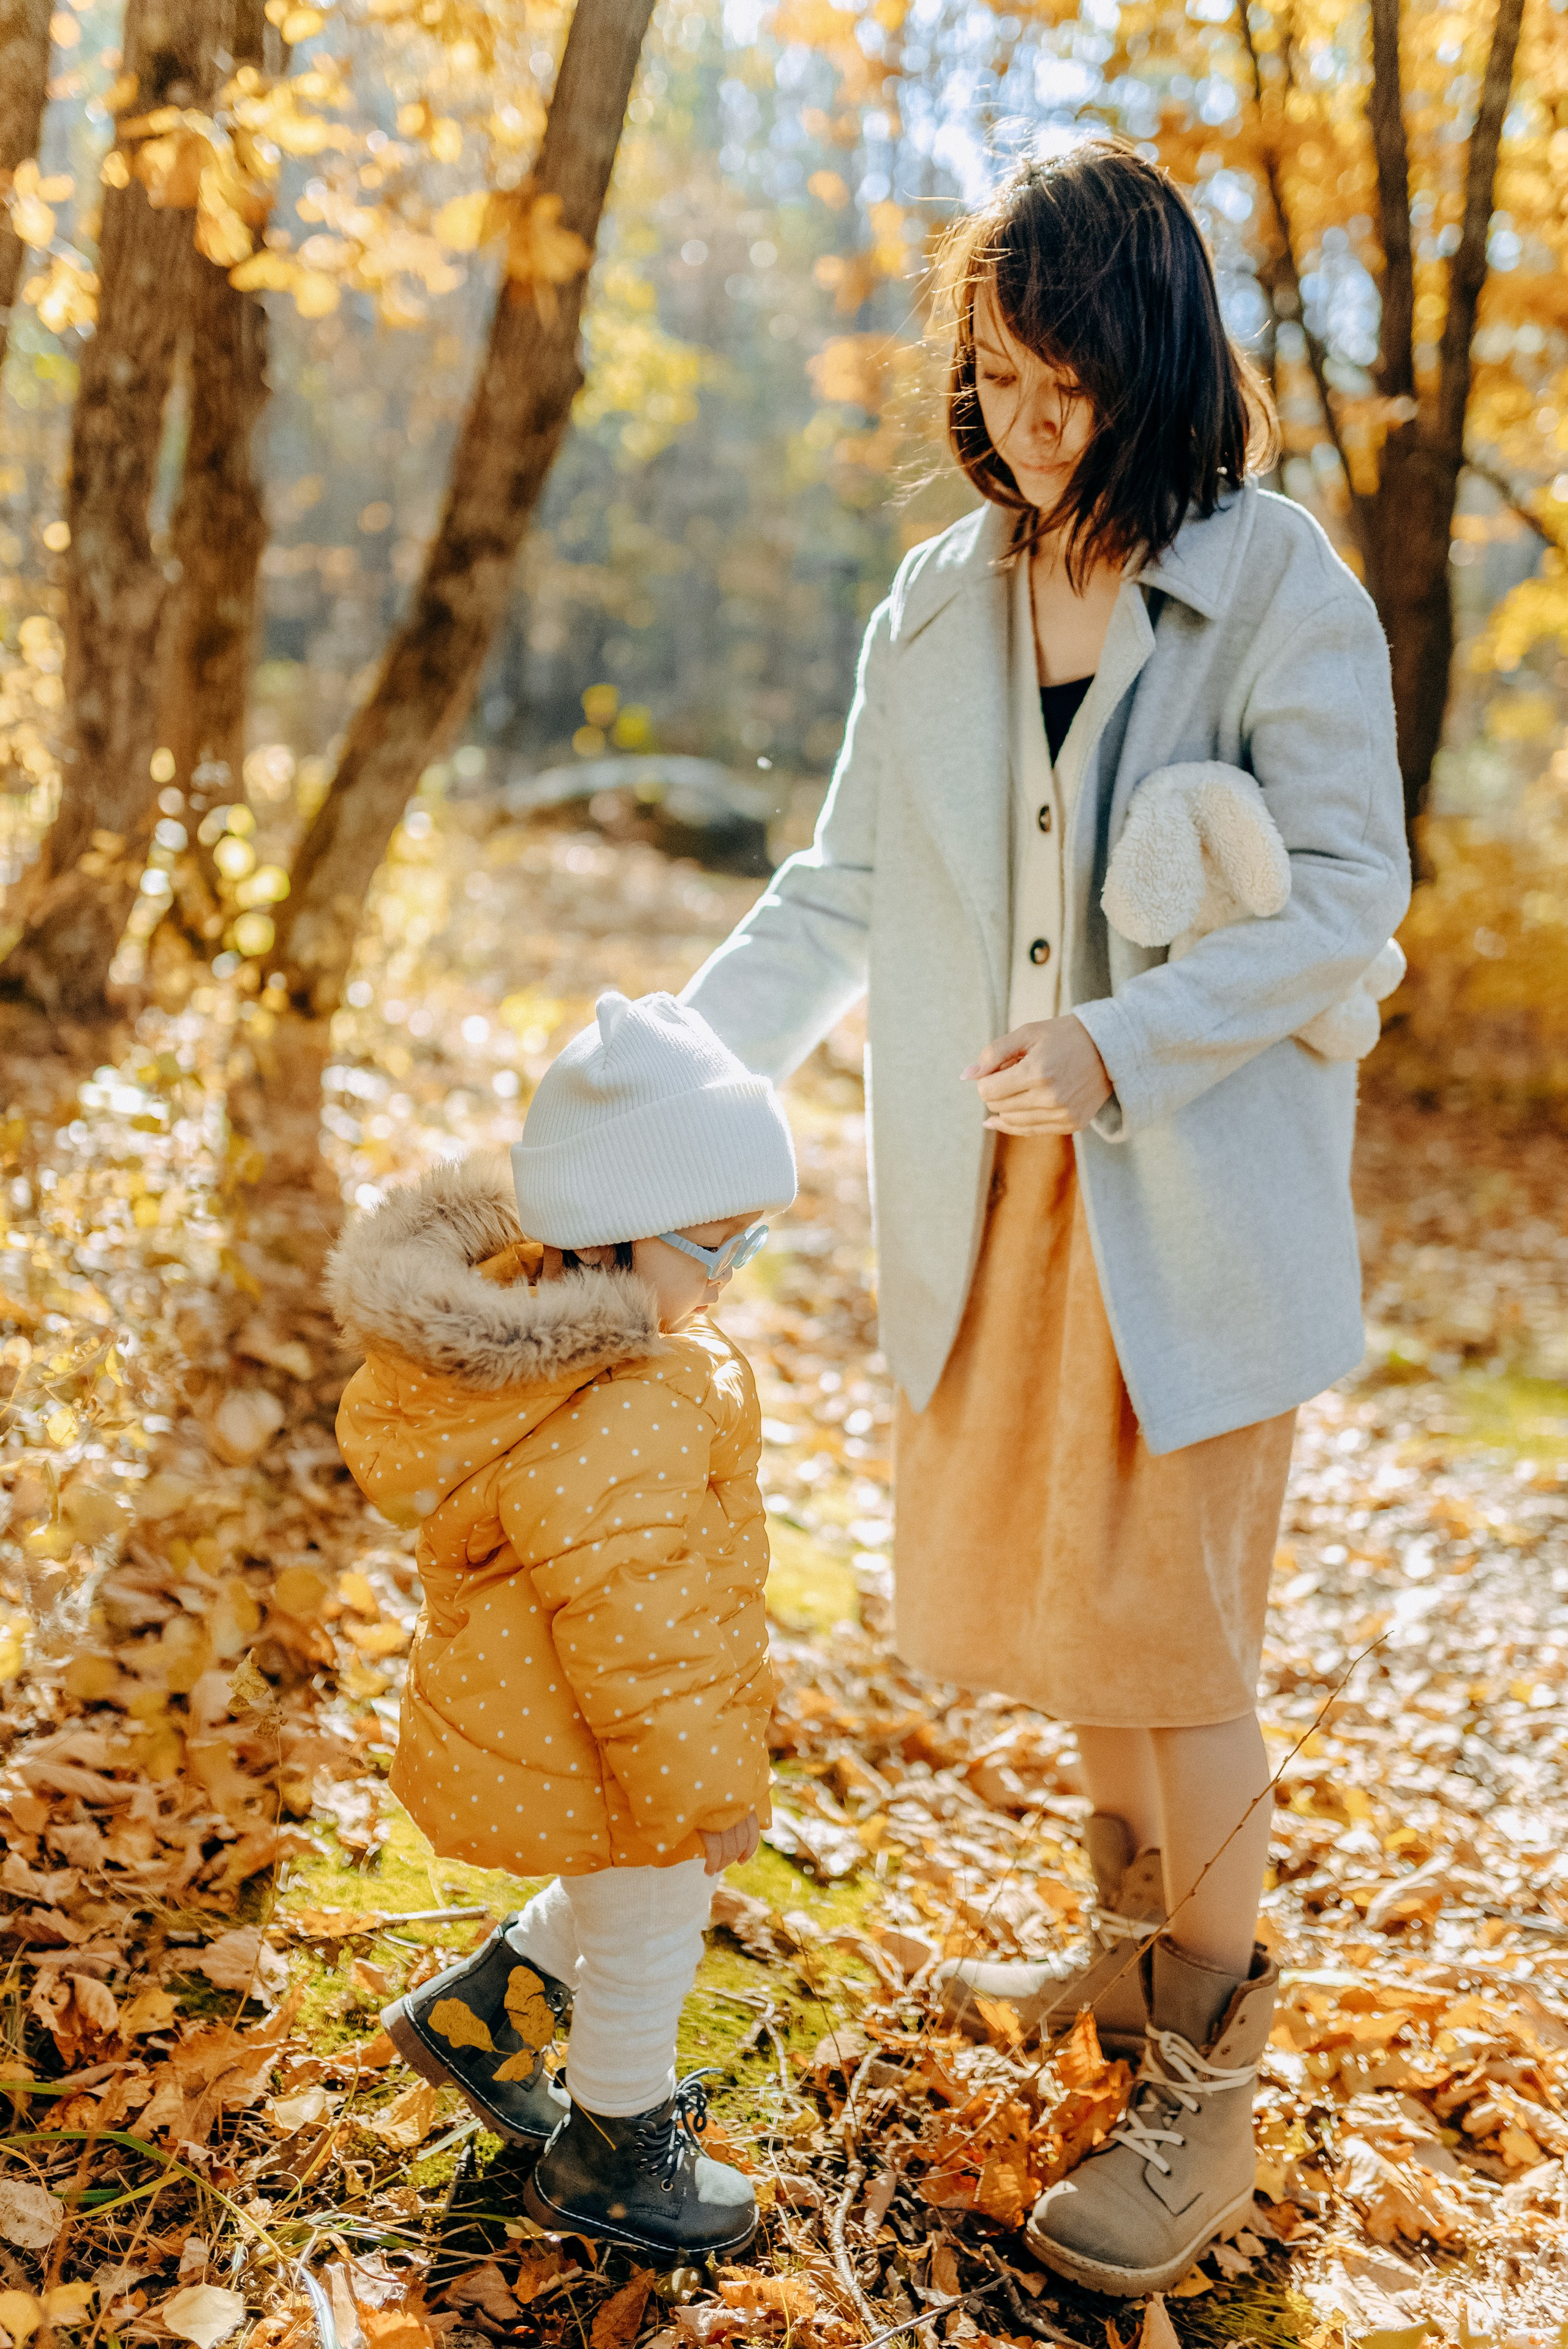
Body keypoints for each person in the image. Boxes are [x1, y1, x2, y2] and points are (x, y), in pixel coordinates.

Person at [680, 138, 1409, 2295]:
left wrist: (1129, 1038)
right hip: (997, 1202)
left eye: (1066, 380)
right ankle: (1118, 1959)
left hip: (1186, 1192)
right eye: (994, 376)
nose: (1024, 421)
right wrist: (678, 1088)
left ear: (1155, 360)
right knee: (1084, 1607)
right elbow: (841, 890)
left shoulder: (1281, 581)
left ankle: (1213, 2072)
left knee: (1178, 1633)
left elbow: (1356, 898)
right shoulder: (939, 599)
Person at [328, 990, 796, 2261]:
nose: (730, 1276)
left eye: (749, 1244)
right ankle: (612, 2145)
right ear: (607, 1232)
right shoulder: (624, 1400)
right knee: (652, 1908)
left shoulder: (571, 1354)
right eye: (716, 1246)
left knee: (613, 1879)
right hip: (596, 1718)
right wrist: (704, 1780)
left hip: (560, 1707)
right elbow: (635, 1615)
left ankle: (483, 2014)